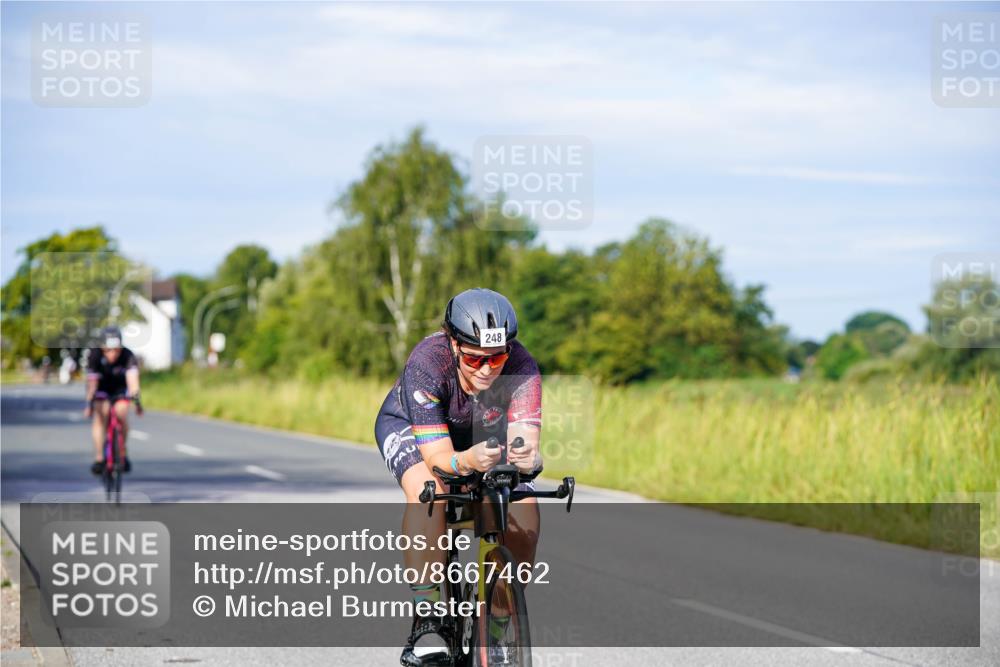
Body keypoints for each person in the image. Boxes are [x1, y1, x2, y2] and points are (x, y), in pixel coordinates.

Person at [374, 288, 543, 663]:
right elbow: (438, 459)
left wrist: (526, 455)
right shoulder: (427, 362)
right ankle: (429, 620)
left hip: (481, 432)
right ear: (453, 344)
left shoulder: (522, 365)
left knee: (523, 505)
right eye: (474, 358)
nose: (487, 369)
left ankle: (498, 626)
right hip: (414, 428)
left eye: (497, 357)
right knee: (429, 490)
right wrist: (466, 462)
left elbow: (526, 441)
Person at [84, 326, 142, 475]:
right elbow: (92, 384)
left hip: (120, 389)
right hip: (101, 388)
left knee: (121, 412)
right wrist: (89, 404)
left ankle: (122, 451)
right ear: (102, 347)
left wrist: (137, 402)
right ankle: (99, 458)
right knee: (101, 414)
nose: (113, 354)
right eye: (108, 350)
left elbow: (133, 382)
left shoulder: (128, 355)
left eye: (116, 350)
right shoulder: (95, 355)